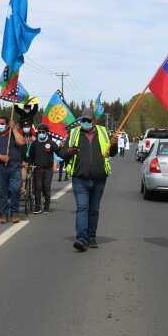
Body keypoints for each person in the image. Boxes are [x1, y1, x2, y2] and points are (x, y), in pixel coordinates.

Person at [59, 108, 118, 252]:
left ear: (94, 121)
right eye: (83, 120)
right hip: (80, 178)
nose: (85, 122)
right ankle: (81, 239)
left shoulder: (103, 132)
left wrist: (114, 144)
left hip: (99, 178)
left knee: (94, 209)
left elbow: (111, 153)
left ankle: (91, 237)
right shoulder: (73, 133)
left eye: (88, 120)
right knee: (82, 208)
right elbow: (62, 154)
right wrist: (69, 151)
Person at [0, 116, 26, 223]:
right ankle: (3, 214)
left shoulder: (13, 134)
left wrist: (14, 129)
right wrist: (1, 157)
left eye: (2, 123)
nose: (0, 125)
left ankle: (15, 212)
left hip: (14, 167)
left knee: (15, 189)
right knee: (2, 192)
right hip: (0, 168)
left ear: (7, 124)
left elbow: (21, 142)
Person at [27, 124, 57, 214]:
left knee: (46, 188)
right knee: (37, 188)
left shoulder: (51, 143)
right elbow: (30, 157)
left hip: (48, 169)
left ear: (46, 133)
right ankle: (37, 207)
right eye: (39, 132)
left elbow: (60, 152)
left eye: (43, 132)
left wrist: (67, 154)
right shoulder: (34, 144)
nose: (41, 134)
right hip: (37, 169)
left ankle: (46, 206)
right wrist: (29, 165)